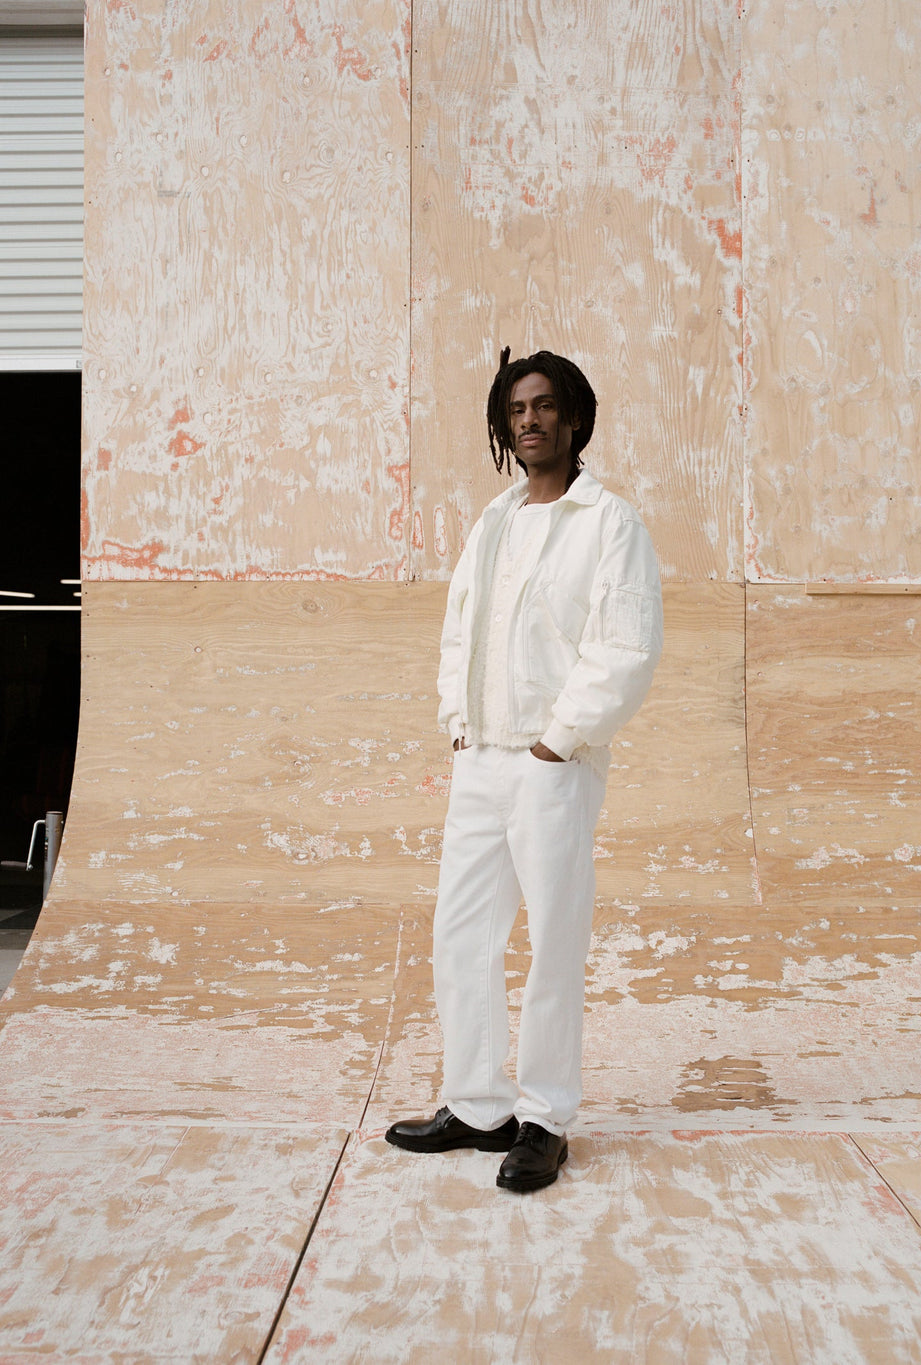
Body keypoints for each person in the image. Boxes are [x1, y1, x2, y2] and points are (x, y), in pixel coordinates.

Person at [386, 347, 662, 1192]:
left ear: (574, 417)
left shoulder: (608, 522)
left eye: (544, 406)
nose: (530, 420)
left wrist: (556, 741)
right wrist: (461, 727)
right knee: (461, 933)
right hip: (480, 763)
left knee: (552, 943)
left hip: (554, 765)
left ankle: (544, 1118)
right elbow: (457, 631)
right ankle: (477, 1106)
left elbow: (625, 646)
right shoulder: (494, 519)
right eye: (516, 410)